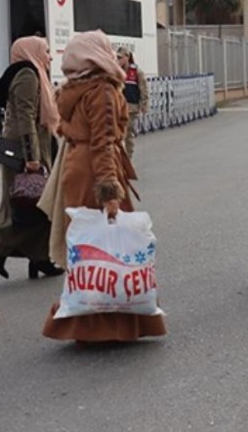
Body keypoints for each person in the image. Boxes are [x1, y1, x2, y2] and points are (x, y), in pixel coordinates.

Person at [41, 30, 166, 342]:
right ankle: (110, 325)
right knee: (112, 247)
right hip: (97, 171)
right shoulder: (103, 91)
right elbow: (105, 143)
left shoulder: (71, 91)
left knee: (86, 245)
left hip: (75, 167)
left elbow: (65, 128)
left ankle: (84, 318)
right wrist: (110, 191)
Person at [0, 37, 64, 280]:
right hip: (26, 150)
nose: (49, 56)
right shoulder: (27, 75)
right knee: (33, 204)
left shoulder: (33, 73)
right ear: (32, 52)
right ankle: (0, 247)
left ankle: (40, 258)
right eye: (46, 51)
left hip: (34, 146)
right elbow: (25, 118)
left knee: (34, 205)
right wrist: (32, 158)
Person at [116, 47, 149, 158]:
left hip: (131, 108)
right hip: (118, 108)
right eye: (117, 57)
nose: (118, 59)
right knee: (118, 134)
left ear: (127, 57)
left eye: (120, 57)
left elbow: (143, 89)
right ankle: (120, 158)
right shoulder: (116, 72)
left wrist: (144, 105)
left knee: (127, 133)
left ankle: (128, 157)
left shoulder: (136, 72)